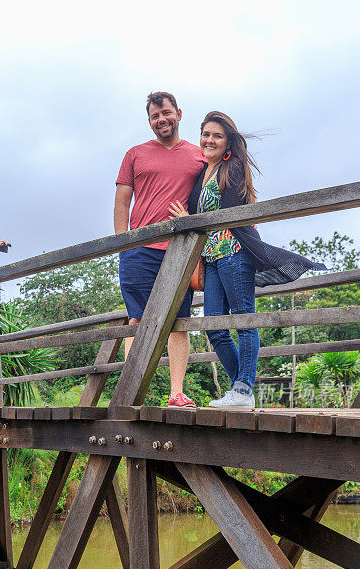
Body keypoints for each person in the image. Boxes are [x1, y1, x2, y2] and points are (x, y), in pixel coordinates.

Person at [169, 111, 326, 409]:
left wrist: (192, 220)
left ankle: (242, 389)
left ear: (228, 141)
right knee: (214, 327)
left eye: (217, 135)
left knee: (244, 321)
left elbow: (231, 215)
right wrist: (190, 219)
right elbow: (203, 218)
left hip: (236, 254)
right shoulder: (202, 175)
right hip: (213, 258)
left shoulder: (234, 168)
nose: (210, 140)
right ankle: (242, 390)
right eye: (206, 134)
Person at [114, 91, 205, 408]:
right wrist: (122, 244)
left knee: (177, 321)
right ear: (149, 121)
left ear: (179, 113)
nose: (161, 119)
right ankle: (130, 391)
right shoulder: (135, 154)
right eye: (154, 116)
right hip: (138, 248)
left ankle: (177, 393)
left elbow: (213, 196)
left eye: (166, 113)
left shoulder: (199, 156)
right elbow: (122, 201)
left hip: (180, 251)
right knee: (137, 320)